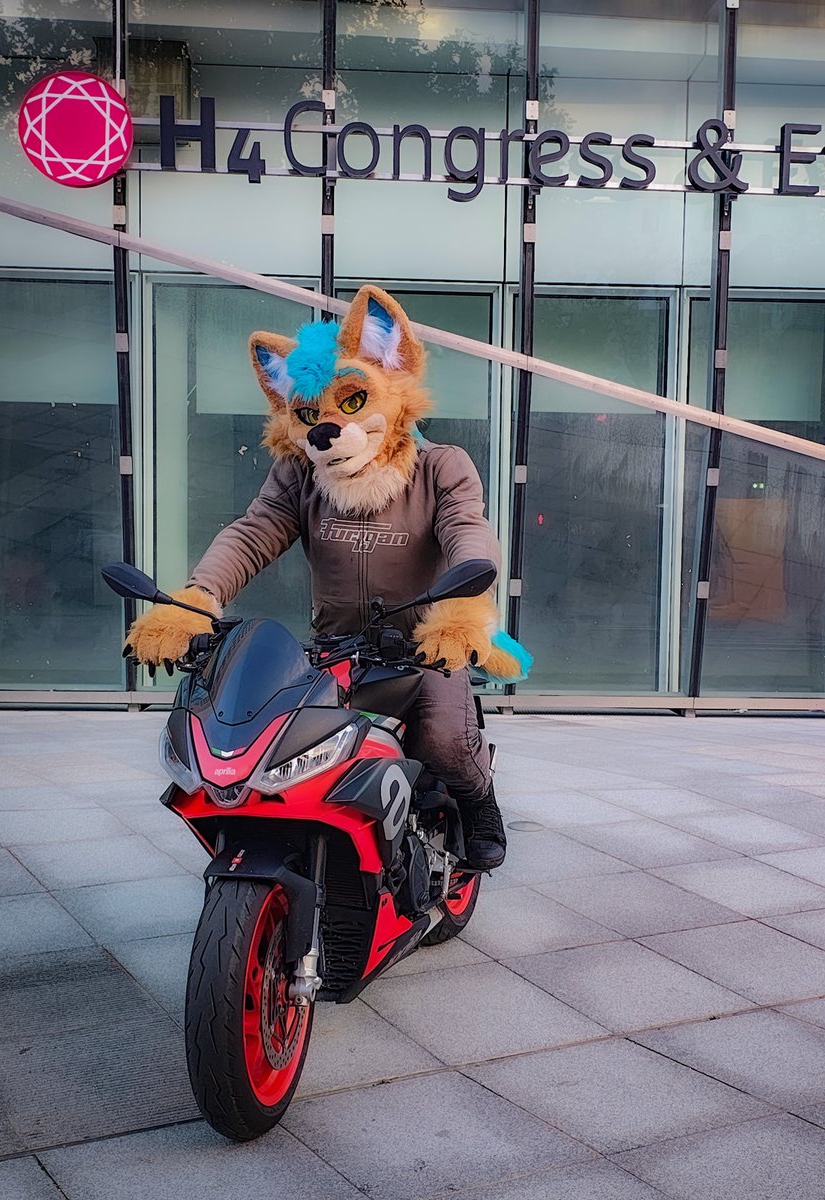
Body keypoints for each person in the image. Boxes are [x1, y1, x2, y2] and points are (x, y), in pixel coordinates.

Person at [123, 285, 531, 870]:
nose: (325, 429)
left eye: (352, 402)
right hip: (335, 643)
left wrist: (463, 611)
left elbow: (468, 533)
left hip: (424, 645)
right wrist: (196, 599)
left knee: (443, 740)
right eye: (310, 415)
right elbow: (254, 531)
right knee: (291, 746)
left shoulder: (441, 466)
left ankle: (479, 800)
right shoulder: (300, 474)